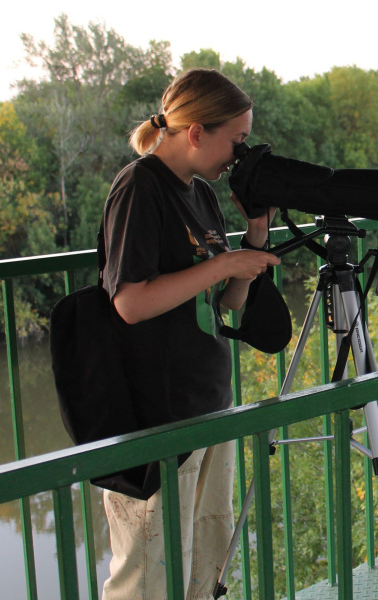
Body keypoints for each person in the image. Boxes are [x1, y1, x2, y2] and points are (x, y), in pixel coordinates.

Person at [100, 68, 279, 600]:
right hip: (155, 419)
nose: (239, 155)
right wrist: (223, 265)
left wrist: (254, 239)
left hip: (206, 404)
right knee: (149, 577)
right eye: (237, 140)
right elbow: (130, 302)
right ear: (197, 131)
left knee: (206, 564)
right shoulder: (139, 187)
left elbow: (223, 303)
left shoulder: (200, 192)